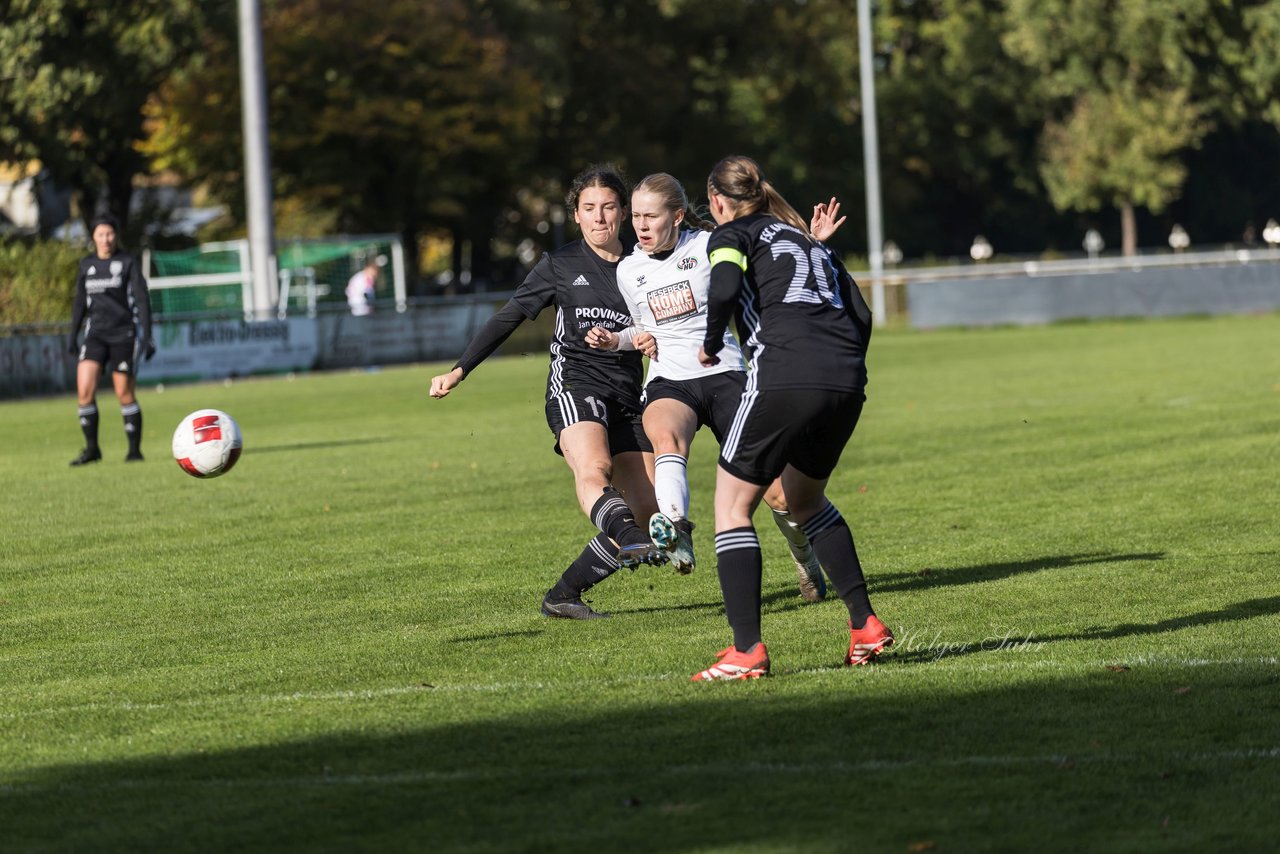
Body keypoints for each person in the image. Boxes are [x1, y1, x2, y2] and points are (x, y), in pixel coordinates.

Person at [584, 172, 840, 601]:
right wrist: (618, 339)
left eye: (651, 216)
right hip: (670, 378)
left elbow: (776, 269)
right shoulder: (629, 269)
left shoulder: (709, 245)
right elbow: (642, 331)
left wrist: (815, 245)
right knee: (664, 434)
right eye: (637, 217)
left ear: (678, 215)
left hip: (725, 374)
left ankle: (805, 559)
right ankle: (676, 528)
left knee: (779, 494)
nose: (641, 226)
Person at [429, 165, 668, 620]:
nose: (599, 218)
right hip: (575, 383)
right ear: (576, 216)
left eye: (609, 207)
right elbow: (511, 315)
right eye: (589, 209)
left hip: (628, 394)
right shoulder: (560, 265)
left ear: (625, 213)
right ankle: (627, 537)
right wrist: (460, 369)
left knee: (646, 507)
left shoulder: (647, 263)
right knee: (594, 465)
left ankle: (564, 595)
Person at [690, 155, 892, 680]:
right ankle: (864, 624)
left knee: (732, 506)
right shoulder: (806, 240)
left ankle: (746, 651)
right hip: (846, 380)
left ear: (716, 201)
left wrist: (712, 342)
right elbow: (862, 315)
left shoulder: (730, 234)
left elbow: (727, 286)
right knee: (803, 500)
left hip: (783, 374)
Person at [67, 213, 155, 465]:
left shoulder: (127, 262)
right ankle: (92, 449)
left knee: (124, 393)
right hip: (95, 335)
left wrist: (147, 337)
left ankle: (134, 451)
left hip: (123, 334)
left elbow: (141, 299)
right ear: (93, 237)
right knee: (84, 390)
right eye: (100, 234)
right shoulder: (86, 265)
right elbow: (79, 303)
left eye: (110, 234)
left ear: (116, 236)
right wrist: (72, 335)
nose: (106, 239)